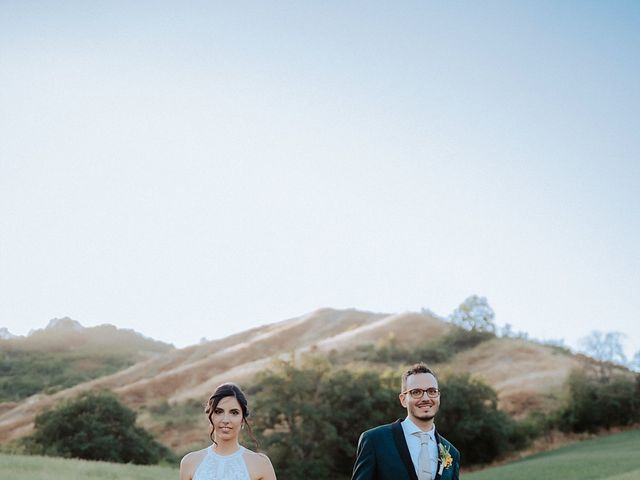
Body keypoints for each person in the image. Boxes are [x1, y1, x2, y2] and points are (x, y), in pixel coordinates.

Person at [352, 363, 460, 480]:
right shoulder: (375, 440)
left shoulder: (452, 453)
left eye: (432, 391)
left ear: (438, 396)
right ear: (403, 400)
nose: (425, 398)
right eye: (416, 392)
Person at [180, 383, 277, 480]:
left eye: (234, 413)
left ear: (242, 419)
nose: (226, 420)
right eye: (218, 411)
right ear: (210, 416)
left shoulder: (261, 464)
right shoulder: (189, 462)